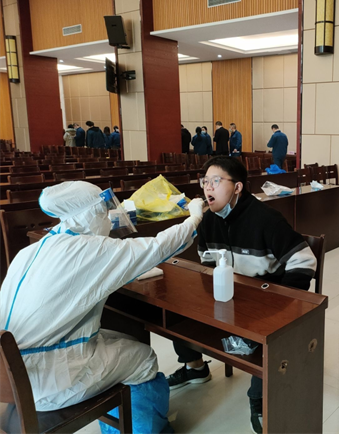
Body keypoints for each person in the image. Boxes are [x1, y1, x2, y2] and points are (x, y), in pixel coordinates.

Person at [0, 181, 204, 433]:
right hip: (47, 378)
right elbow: (157, 247)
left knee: (125, 339)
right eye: (104, 212)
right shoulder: (87, 248)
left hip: (12, 369)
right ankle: (147, 429)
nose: (108, 218)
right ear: (92, 213)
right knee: (144, 358)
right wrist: (194, 218)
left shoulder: (34, 249)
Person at [165, 156, 317, 434]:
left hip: (267, 301)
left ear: (237, 187)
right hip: (230, 298)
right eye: (205, 181)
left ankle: (259, 398)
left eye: (216, 181)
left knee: (267, 335)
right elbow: (206, 262)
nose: (208, 187)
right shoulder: (207, 221)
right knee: (177, 310)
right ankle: (195, 367)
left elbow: (304, 261)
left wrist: (283, 299)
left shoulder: (266, 219)